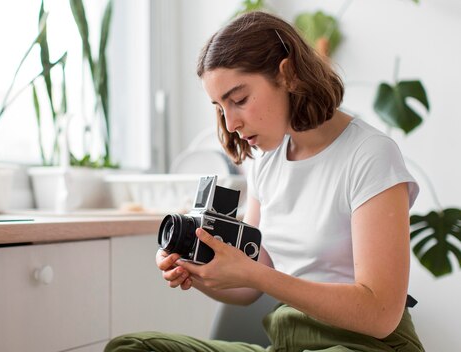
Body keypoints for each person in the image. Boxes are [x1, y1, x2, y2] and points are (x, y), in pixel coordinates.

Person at [105, 10, 424, 352]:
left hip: (365, 346)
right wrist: (192, 271)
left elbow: (380, 315)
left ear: (287, 74)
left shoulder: (370, 154)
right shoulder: (267, 162)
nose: (230, 124)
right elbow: (250, 285)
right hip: (288, 343)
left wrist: (254, 274)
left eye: (239, 100)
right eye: (220, 107)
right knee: (132, 347)